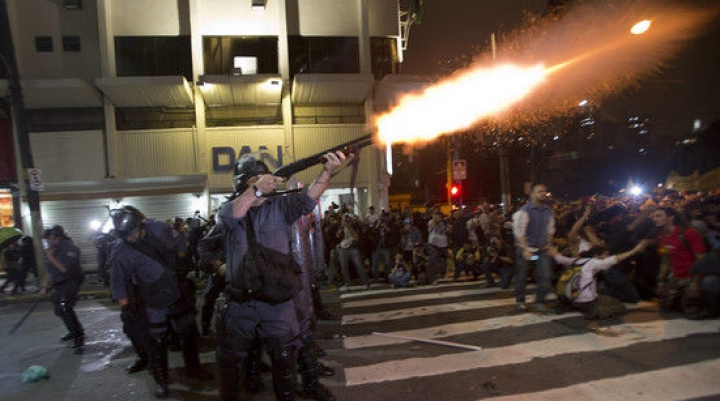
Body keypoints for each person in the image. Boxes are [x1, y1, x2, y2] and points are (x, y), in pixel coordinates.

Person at [215, 151, 344, 401]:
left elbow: (310, 197)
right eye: (256, 179)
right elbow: (230, 215)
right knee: (230, 363)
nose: (267, 183)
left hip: (277, 303)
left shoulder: (281, 207)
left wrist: (327, 171)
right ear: (244, 183)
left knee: (284, 359)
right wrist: (257, 191)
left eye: (266, 179)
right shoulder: (231, 208)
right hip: (241, 303)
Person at [109, 206, 213, 399]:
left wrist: (182, 261)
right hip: (153, 297)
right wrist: (125, 308)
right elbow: (118, 281)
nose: (130, 238)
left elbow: (180, 242)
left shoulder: (158, 228)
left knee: (188, 331)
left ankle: (194, 368)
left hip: (177, 289)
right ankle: (161, 381)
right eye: (126, 236)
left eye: (132, 234)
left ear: (139, 224)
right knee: (157, 340)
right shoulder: (121, 251)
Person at [549, 241, 647, 319]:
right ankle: (597, 312)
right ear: (596, 255)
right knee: (618, 305)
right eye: (605, 254)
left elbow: (560, 258)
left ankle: (568, 305)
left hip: (569, 296)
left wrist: (550, 247)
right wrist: (634, 251)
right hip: (586, 301)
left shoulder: (576, 260)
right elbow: (614, 259)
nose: (607, 256)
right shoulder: (594, 263)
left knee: (599, 294)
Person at [653, 206, 707, 315]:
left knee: (690, 310)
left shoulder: (689, 233)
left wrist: (696, 282)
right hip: (677, 278)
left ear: (671, 217)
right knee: (665, 305)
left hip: (692, 277)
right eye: (654, 216)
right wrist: (661, 280)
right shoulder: (662, 238)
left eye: (659, 216)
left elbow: (702, 260)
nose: (655, 219)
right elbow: (666, 260)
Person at [40, 226, 85, 351]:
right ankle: (73, 330)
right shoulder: (52, 249)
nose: (49, 241)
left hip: (70, 281)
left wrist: (50, 256)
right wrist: (44, 286)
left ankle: (78, 336)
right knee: (59, 310)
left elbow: (64, 269)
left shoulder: (70, 249)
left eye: (51, 238)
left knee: (66, 308)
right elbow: (49, 270)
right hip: (58, 283)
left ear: (58, 237)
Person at [512, 183, 556, 313]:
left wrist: (549, 243)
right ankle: (520, 301)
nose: (542, 194)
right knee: (521, 276)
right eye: (539, 191)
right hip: (525, 248)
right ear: (532, 194)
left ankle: (539, 301)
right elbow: (519, 231)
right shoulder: (523, 211)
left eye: (544, 191)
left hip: (542, 249)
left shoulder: (548, 211)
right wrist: (526, 249)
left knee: (546, 275)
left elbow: (550, 229)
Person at [426, 209, 449, 285]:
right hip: (433, 244)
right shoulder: (431, 222)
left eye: (439, 216)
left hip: (443, 244)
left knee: (443, 260)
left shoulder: (443, 223)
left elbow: (447, 230)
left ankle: (443, 274)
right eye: (437, 216)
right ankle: (433, 278)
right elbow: (431, 225)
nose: (438, 218)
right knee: (433, 260)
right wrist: (434, 218)